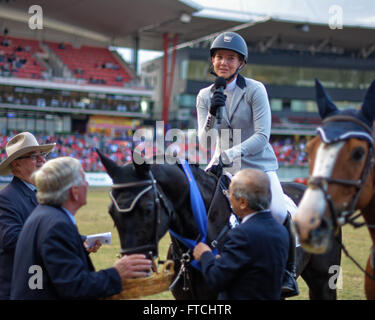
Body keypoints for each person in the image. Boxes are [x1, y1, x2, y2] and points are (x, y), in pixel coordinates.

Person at [195, 31, 298, 297]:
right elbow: (205, 141)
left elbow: (262, 136)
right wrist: (212, 116)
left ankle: (288, 271)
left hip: (258, 166)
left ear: (241, 63)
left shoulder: (255, 89)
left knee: (276, 212)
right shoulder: (205, 96)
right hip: (221, 165)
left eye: (230, 58)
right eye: (219, 57)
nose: (223, 62)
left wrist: (229, 155)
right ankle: (193, 264)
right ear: (213, 61)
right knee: (199, 209)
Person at [11, 156, 152, 299]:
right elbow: (75, 288)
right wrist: (117, 272)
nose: (88, 184)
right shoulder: (57, 225)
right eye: (84, 179)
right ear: (74, 191)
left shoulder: (43, 216)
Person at [193, 168, 289, 300]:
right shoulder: (281, 231)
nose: (229, 197)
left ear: (243, 203)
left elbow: (216, 279)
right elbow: (253, 268)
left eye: (229, 193)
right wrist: (224, 261)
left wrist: (205, 255)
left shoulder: (241, 234)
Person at [0, 132, 55, 299]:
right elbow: (12, 240)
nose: (42, 160)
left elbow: (55, 229)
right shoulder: (5, 198)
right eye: (34, 156)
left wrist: (81, 241)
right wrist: (55, 242)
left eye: (43, 155)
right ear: (16, 164)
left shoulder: (45, 194)